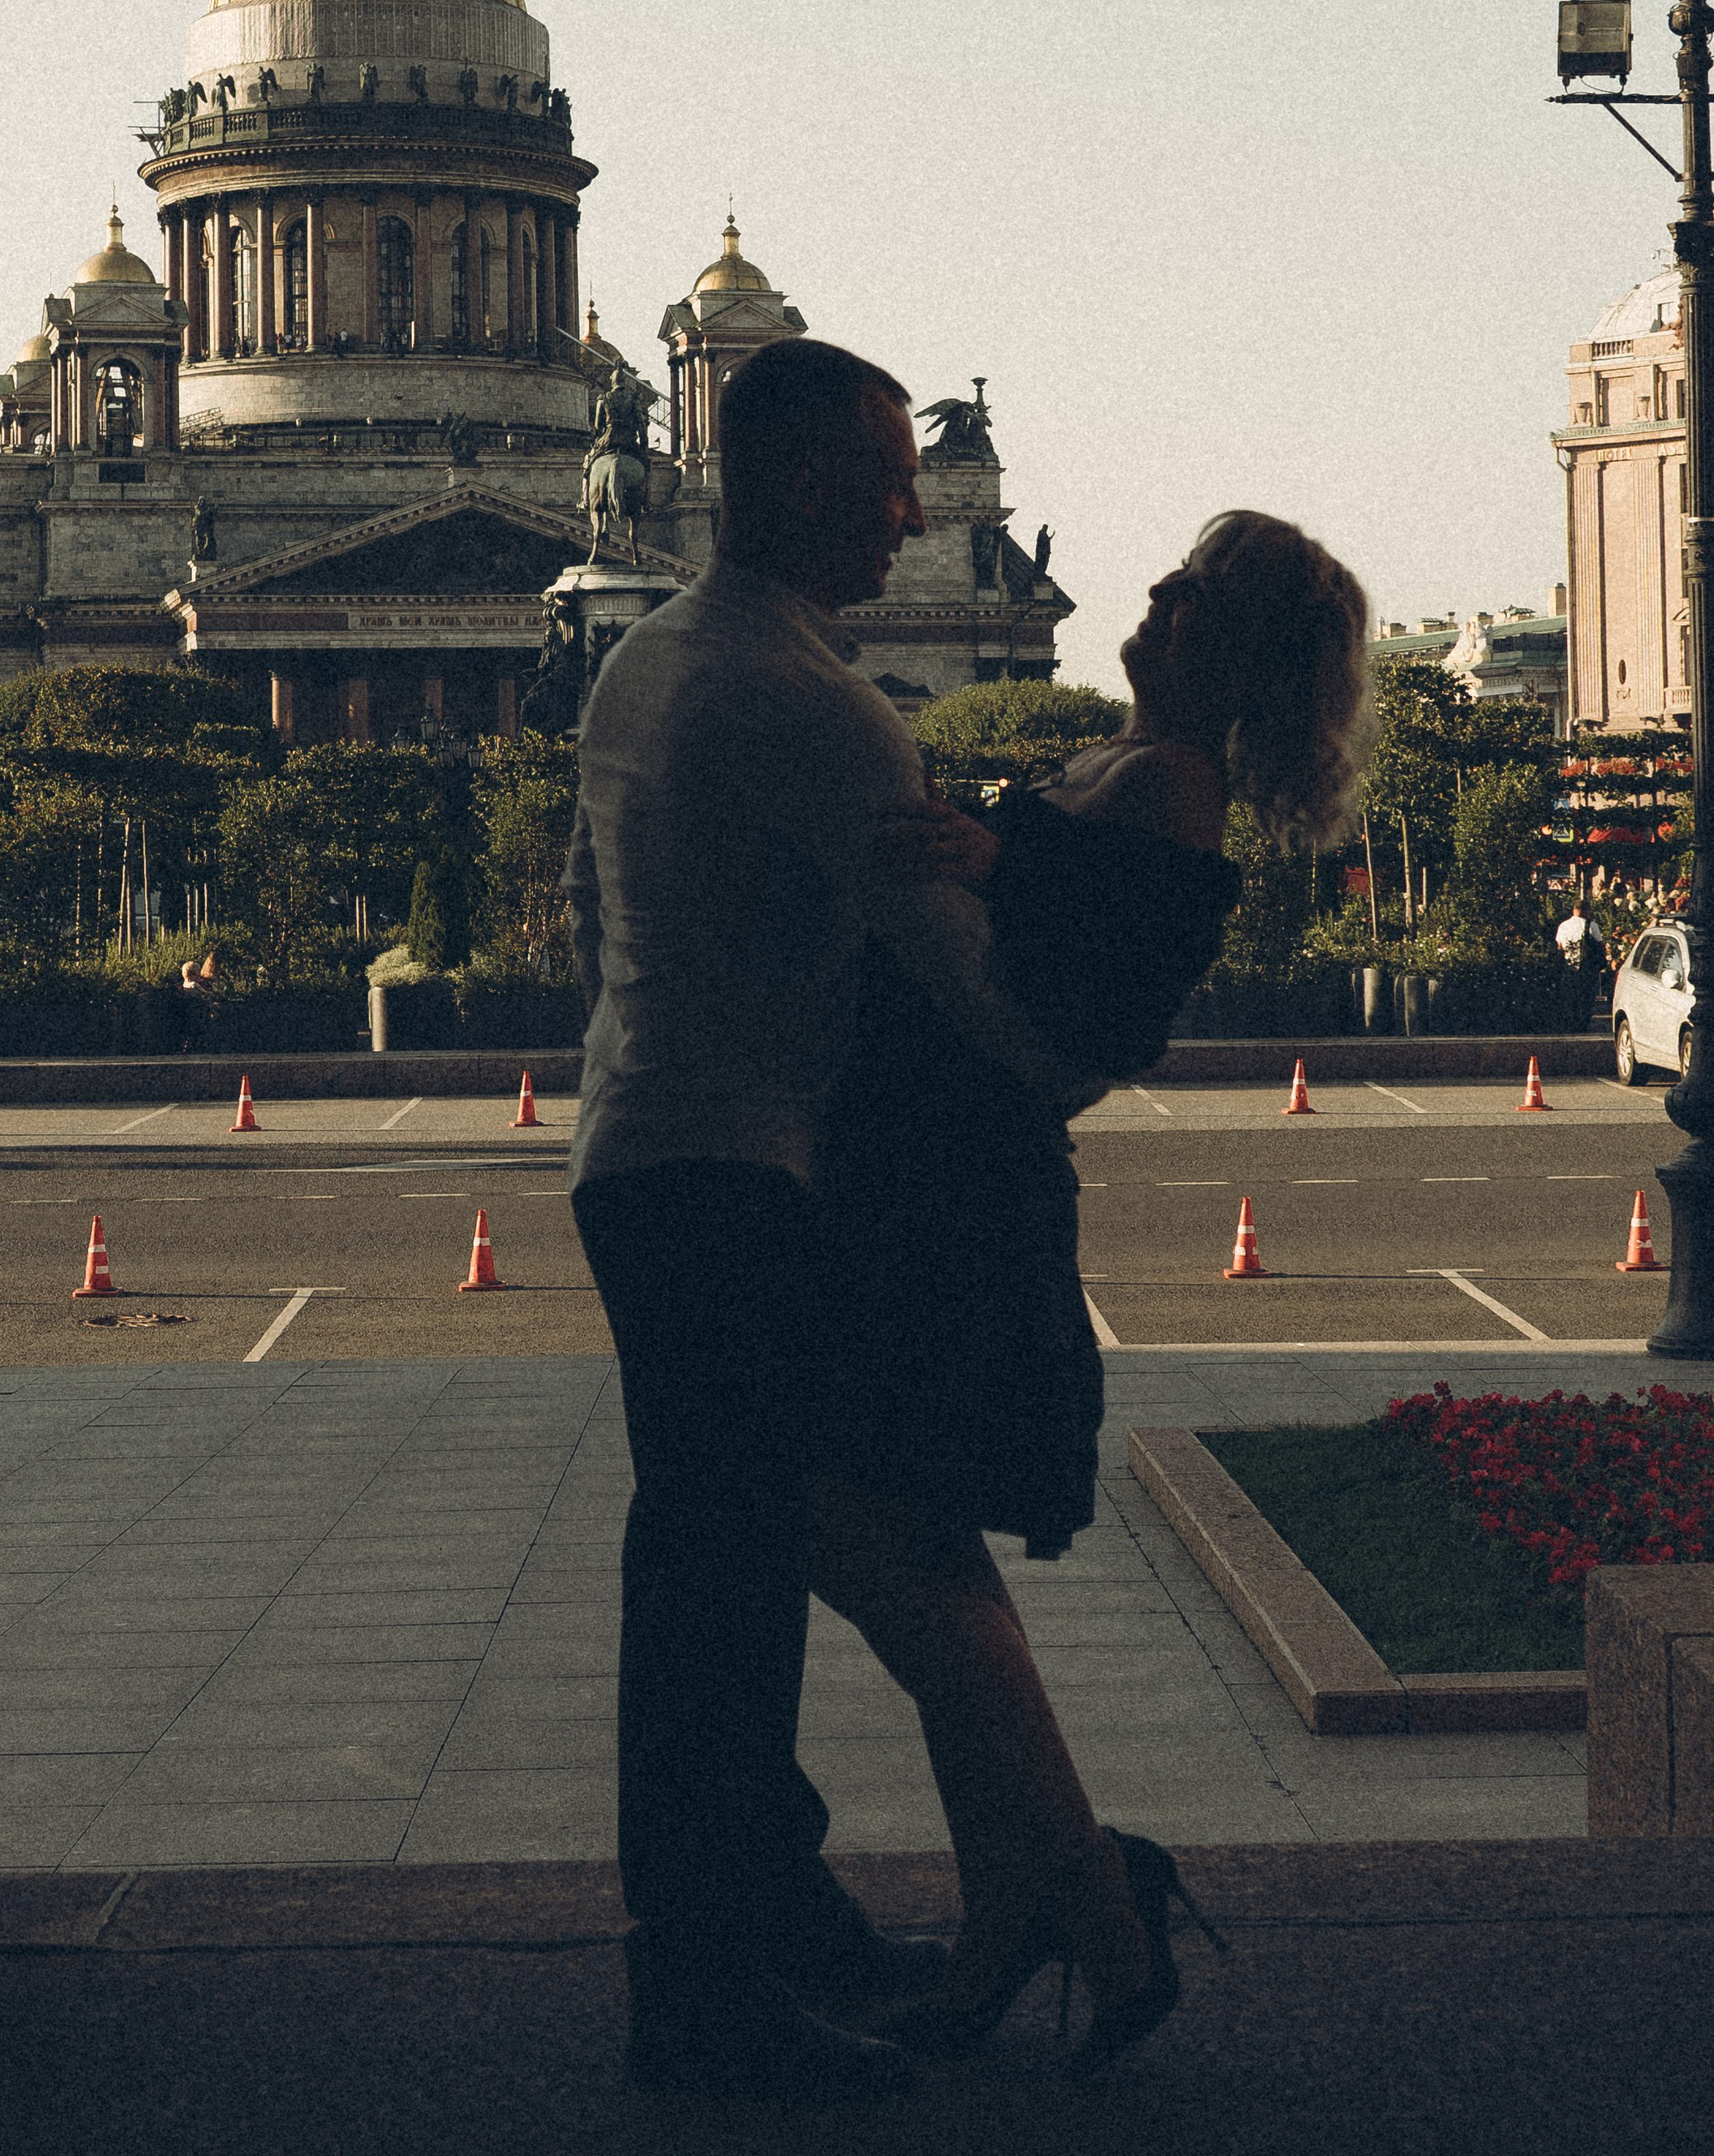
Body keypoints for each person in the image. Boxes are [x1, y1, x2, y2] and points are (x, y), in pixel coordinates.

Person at [566, 338, 1085, 2105]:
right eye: (881, 477)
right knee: (718, 1599)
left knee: (712, 1558)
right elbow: (974, 1003)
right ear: (785, 480)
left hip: (649, 1144)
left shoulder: (652, 654)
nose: (912, 510)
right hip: (731, 1170)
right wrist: (1098, 965)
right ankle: (701, 1992)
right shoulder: (807, 704)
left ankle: (767, 1910)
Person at [808, 510, 1371, 2072]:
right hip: (931, 1182)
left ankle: (1079, 1880)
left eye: (1191, 598)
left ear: (1232, 654)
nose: (1154, 601)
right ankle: (1043, 1910)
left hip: (954, 1203)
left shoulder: (1171, 787)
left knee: (865, 1528)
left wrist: (991, 859)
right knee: (920, 1547)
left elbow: (1101, 1018)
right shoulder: (1132, 769)